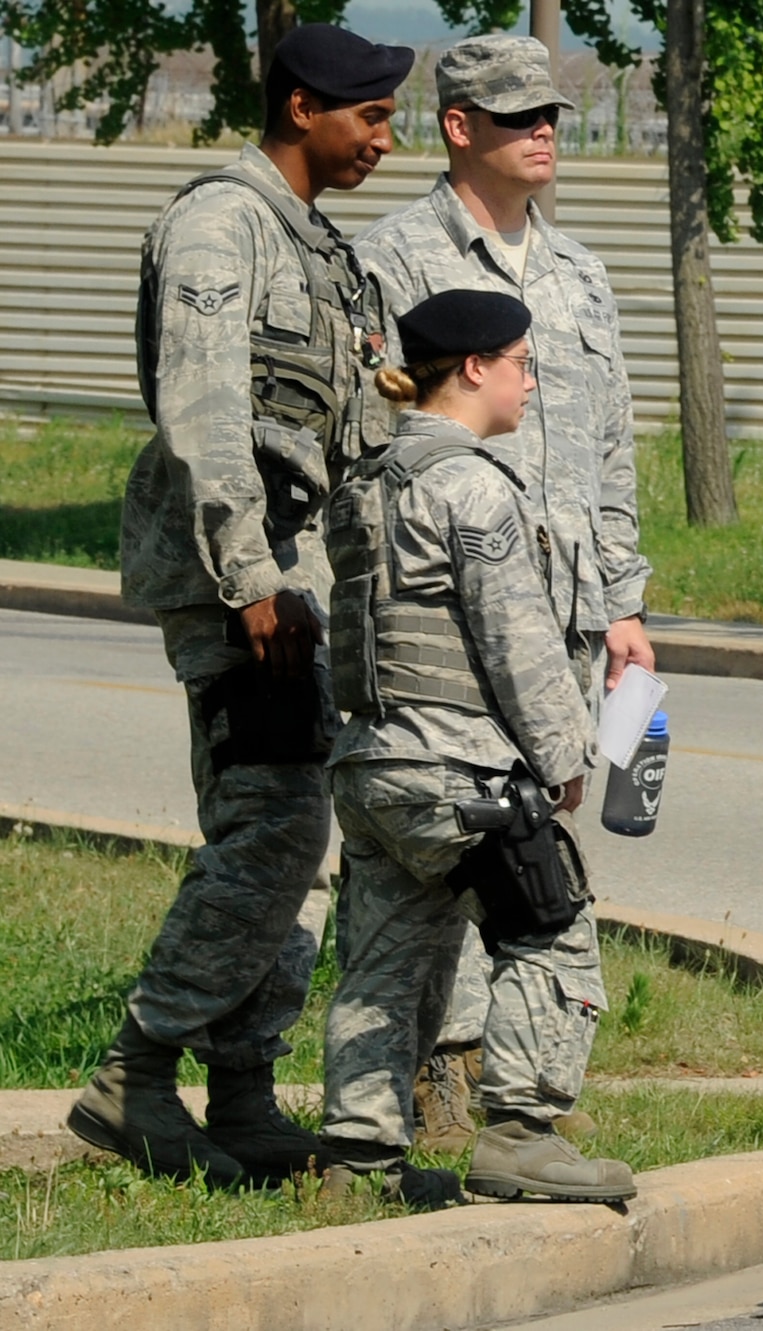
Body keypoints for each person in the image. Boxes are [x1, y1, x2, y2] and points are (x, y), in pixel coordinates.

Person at [69, 23, 411, 1188]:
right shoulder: (222, 226)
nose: (383, 137)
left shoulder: (315, 244)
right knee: (270, 832)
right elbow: (206, 409)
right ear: (303, 106)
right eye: (367, 115)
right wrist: (251, 573)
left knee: (288, 834)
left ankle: (243, 1087)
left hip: (294, 579)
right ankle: (138, 1068)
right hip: (240, 586)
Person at [354, 33, 654, 1151]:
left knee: (531, 841)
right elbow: (368, 443)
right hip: (441, 609)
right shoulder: (394, 258)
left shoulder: (578, 272)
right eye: (518, 115)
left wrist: (622, 601)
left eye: (555, 116)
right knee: (449, 837)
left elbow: (613, 444)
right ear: (457, 126)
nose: (544, 133)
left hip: (562, 610)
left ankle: (508, 1083)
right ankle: (439, 1074)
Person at [315, 288, 635, 1207]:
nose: (531, 384)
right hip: (462, 773)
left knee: (383, 959)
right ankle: (523, 1135)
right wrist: (567, 759)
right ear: (474, 369)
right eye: (524, 365)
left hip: (374, 768)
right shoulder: (472, 486)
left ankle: (357, 1160)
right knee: (552, 927)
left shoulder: (366, 483)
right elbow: (518, 641)